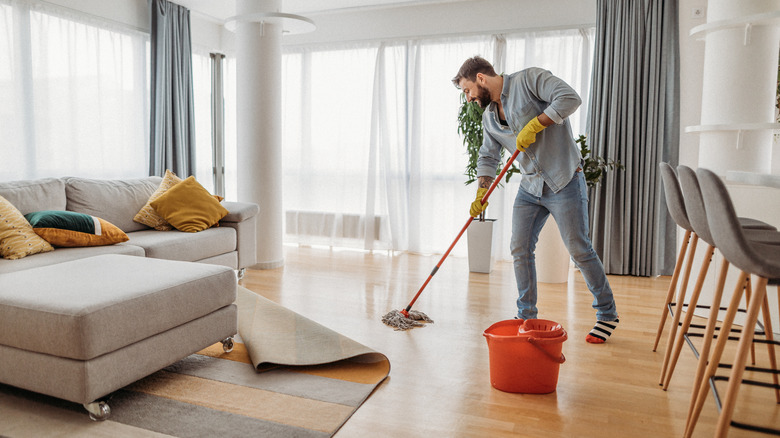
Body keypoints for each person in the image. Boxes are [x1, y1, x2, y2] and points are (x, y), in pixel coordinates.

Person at [452, 56, 619, 343]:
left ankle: (606, 313)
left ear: (480, 79)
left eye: (467, 91)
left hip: (564, 178)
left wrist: (536, 124)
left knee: (579, 249)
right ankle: (526, 315)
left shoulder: (529, 80)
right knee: (519, 247)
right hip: (530, 186)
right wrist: (482, 190)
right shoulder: (489, 116)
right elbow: (489, 156)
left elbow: (570, 98)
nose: (467, 99)